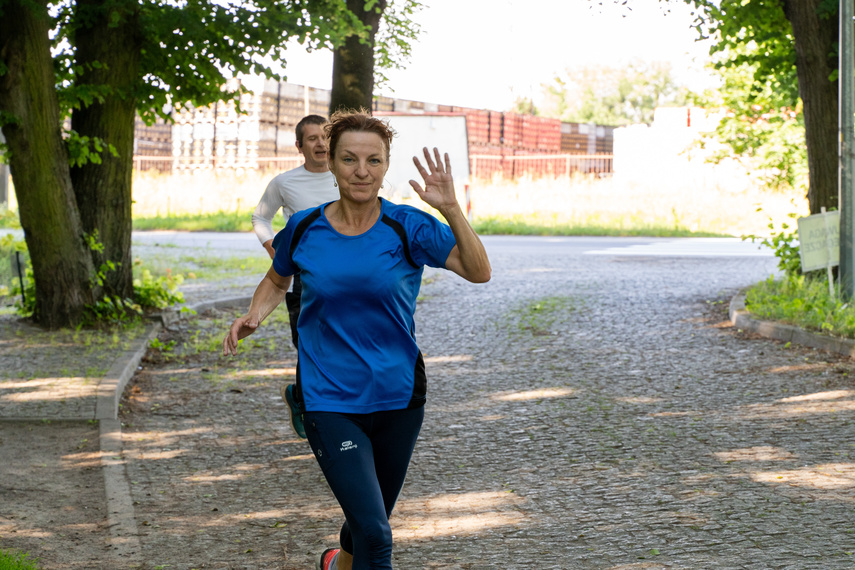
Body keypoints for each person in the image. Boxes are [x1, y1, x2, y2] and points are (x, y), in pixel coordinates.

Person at [223, 109, 491, 570]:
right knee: (376, 533)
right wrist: (256, 313)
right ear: (331, 163)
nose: (361, 171)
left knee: (368, 517)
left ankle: (335, 564)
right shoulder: (305, 227)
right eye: (349, 159)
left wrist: (449, 208)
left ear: (386, 165)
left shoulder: (408, 226)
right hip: (329, 397)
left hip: (398, 394)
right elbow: (276, 278)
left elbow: (479, 271)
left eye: (373, 160)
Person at [252, 114, 339, 439]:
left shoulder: (344, 176)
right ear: (300, 145)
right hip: (306, 276)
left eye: (325, 137)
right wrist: (274, 248)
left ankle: (331, 406)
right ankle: (303, 401)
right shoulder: (284, 183)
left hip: (348, 275)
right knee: (308, 345)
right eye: (312, 138)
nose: (320, 143)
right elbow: (260, 216)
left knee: (339, 343)